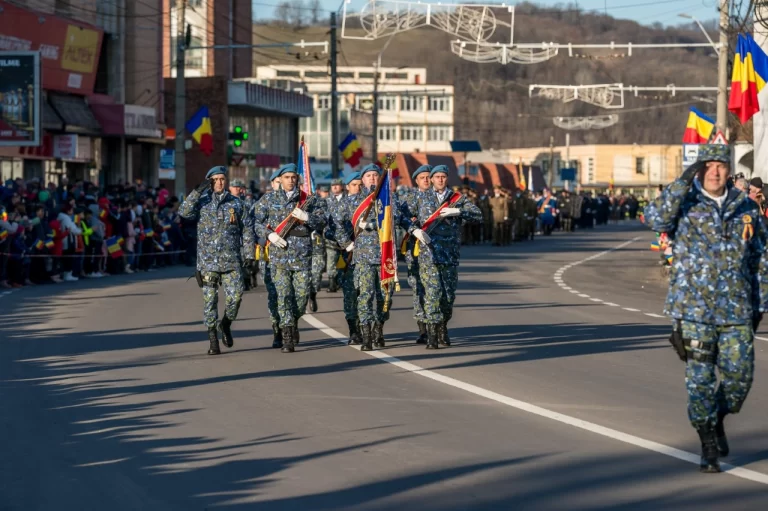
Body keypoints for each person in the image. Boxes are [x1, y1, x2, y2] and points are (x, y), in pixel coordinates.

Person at [644, 144, 768, 474]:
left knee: (739, 382)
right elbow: (653, 218)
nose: (714, 172)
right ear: (700, 169)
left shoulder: (746, 207)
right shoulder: (685, 202)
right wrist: (682, 181)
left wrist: (761, 305)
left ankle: (719, 416)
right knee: (699, 382)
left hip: (737, 310)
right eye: (708, 166)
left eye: (721, 166)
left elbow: (761, 258)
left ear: (730, 170)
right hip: (694, 311)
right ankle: (707, 443)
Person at [179, 166, 255, 355]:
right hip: (208, 262)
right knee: (210, 301)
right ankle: (213, 338)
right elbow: (184, 212)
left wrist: (249, 254)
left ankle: (226, 324)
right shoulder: (202, 202)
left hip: (231, 261)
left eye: (222, 179)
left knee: (235, 297)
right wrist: (197, 191)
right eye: (215, 179)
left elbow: (247, 229)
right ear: (209, 182)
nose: (220, 182)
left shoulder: (236, 204)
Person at [333, 164, 410, 351]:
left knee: (385, 298)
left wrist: (375, 223)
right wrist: (346, 243)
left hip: (385, 258)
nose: (373, 178)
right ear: (363, 180)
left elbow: (399, 219)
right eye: (369, 176)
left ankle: (379, 328)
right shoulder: (352, 201)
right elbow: (336, 223)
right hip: (363, 258)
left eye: (376, 175)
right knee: (365, 296)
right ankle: (366, 335)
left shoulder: (390, 200)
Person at [252, 163, 326, 353]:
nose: (290, 180)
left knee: (301, 299)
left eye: (293, 177)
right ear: (280, 179)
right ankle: (286, 336)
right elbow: (256, 222)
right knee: (283, 296)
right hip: (279, 257)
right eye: (287, 177)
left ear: (297, 180)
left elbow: (322, 222)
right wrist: (269, 236)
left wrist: (307, 216)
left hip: (302, 257)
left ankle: (292, 322)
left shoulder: (308, 201)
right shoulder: (268, 199)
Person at [407, 165, 482, 349]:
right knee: (432, 294)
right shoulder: (421, 197)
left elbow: (478, 215)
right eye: (436, 177)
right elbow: (401, 216)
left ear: (447, 179)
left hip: (449, 255)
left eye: (443, 176)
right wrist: (414, 229)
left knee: (448, 297)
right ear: (431, 179)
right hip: (428, 255)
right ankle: (432, 335)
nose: (440, 180)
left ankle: (442, 327)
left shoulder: (456, 199)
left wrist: (459, 211)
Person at [401, 164, 432, 344]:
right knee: (418, 288)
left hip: (436, 251)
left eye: (429, 176)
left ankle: (437, 325)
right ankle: (423, 329)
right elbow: (400, 217)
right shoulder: (410, 198)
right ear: (417, 180)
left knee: (435, 289)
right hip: (416, 251)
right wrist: (413, 226)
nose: (426, 180)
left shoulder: (440, 198)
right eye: (423, 178)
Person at [257, 170, 283, 348]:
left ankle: (289, 324)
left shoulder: (297, 200)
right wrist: (268, 234)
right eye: (277, 182)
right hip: (269, 255)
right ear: (272, 184)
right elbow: (254, 223)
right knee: (274, 294)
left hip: (292, 256)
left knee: (293, 295)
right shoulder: (264, 201)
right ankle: (277, 330)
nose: (280, 184)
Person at [324, 178, 346, 293]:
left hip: (346, 236)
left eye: (337, 185)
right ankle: (332, 283)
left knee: (345, 260)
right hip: (331, 236)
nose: (335, 187)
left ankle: (342, 281)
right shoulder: (327, 201)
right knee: (331, 260)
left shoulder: (347, 200)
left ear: (342, 186)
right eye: (333, 186)